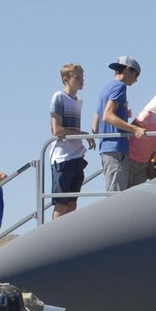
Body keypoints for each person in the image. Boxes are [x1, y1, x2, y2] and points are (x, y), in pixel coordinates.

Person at [95, 55, 147, 194]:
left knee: (114, 192)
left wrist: (122, 114)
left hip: (106, 147)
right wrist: (135, 129)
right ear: (129, 70)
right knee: (116, 195)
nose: (136, 80)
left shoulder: (106, 88)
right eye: (136, 75)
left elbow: (96, 123)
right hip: (116, 148)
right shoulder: (120, 87)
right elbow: (107, 115)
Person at [49, 62, 89, 217]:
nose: (81, 80)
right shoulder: (59, 97)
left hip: (76, 155)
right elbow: (57, 130)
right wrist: (82, 134)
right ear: (66, 79)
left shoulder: (77, 101)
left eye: (82, 77)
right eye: (77, 77)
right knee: (61, 203)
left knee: (72, 203)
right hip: (62, 157)